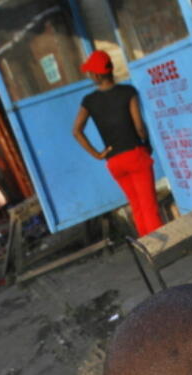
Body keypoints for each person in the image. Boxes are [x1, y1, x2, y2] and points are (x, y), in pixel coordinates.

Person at [72, 50, 164, 237]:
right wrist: (146, 144)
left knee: (136, 206)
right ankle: (162, 246)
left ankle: (148, 247)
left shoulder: (89, 101)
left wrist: (97, 154)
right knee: (149, 206)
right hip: (135, 155)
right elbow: (139, 127)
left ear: (97, 75)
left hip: (114, 162)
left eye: (90, 72)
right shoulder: (128, 92)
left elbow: (77, 131)